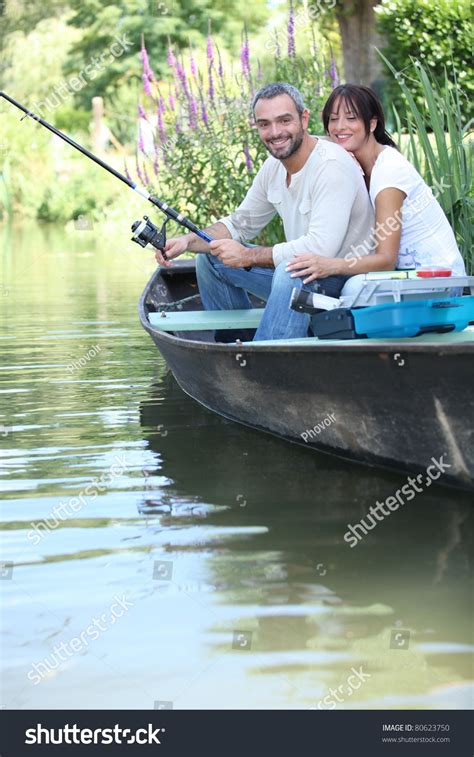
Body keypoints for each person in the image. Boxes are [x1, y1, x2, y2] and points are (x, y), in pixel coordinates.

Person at [156, 82, 374, 341]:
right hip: (304, 279)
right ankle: (236, 347)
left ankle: (266, 360)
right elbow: (240, 223)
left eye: (284, 121)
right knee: (211, 257)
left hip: (344, 285)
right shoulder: (273, 167)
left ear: (304, 119)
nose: (275, 132)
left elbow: (319, 249)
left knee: (291, 270)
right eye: (264, 124)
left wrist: (248, 256)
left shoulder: (331, 166)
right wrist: (187, 242)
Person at [286, 84, 466, 285]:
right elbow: (315, 145)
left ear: (372, 124)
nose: (339, 127)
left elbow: (386, 260)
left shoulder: (388, 171)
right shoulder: (357, 164)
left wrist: (330, 265)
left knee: (345, 286)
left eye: (351, 118)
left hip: (439, 281)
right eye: (333, 119)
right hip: (407, 279)